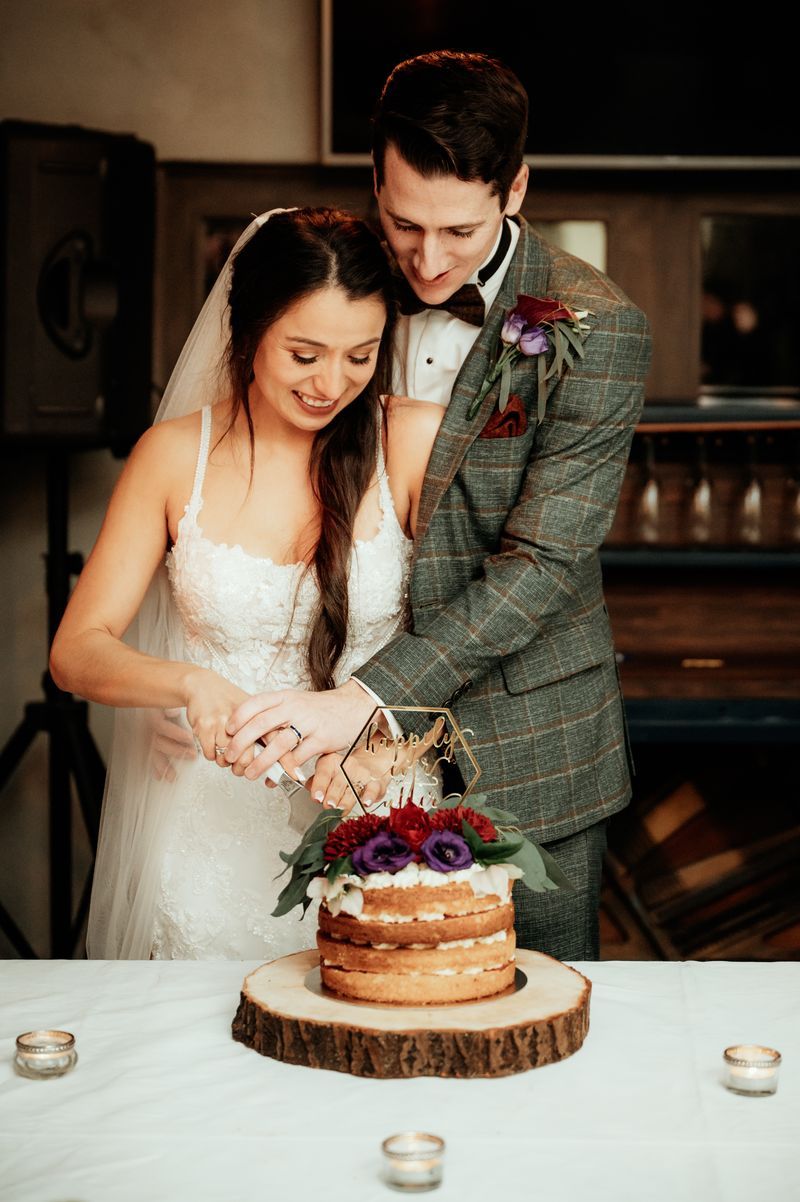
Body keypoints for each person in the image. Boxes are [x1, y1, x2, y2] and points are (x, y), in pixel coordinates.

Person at [221, 52, 653, 961]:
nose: (425, 258)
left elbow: (539, 567)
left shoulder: (595, 325)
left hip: (528, 748)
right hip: (334, 763)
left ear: (516, 188)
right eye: (402, 221)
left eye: (458, 232)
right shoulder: (339, 278)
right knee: (352, 1003)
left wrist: (366, 700)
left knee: (536, 1016)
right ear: (374, 180)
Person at [49, 206, 443, 959]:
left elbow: (473, 639)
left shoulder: (414, 441)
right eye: (305, 353)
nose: (333, 384)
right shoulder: (171, 457)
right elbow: (78, 649)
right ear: (249, 329)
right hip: (209, 829)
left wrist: (382, 746)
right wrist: (187, 685)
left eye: (360, 357)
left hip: (374, 803)